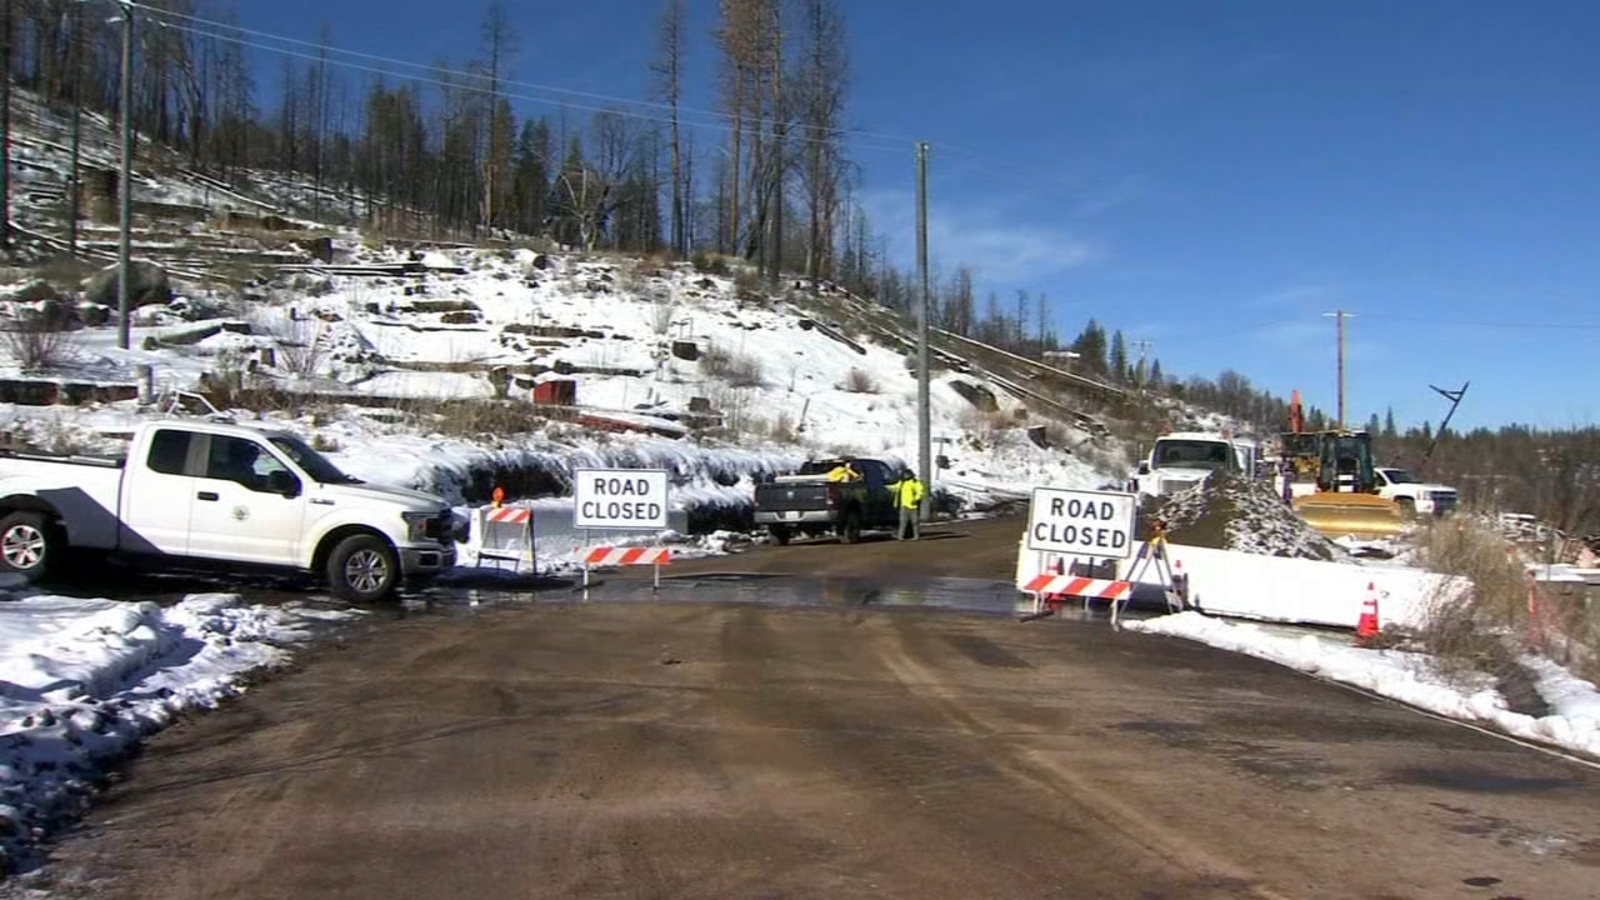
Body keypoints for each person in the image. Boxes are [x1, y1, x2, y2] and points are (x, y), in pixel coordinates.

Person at [888, 468, 926, 540]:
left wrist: (916, 499)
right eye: (905, 474)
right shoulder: (902, 482)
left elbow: (920, 492)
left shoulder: (915, 482)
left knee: (915, 522)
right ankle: (900, 536)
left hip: (913, 506)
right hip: (904, 505)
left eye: (907, 474)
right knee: (903, 522)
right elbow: (896, 487)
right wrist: (886, 487)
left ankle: (916, 536)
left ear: (911, 474)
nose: (906, 476)